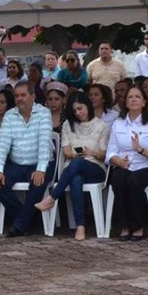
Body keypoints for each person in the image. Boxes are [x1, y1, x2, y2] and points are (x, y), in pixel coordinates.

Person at [35, 92, 109, 240]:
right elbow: (66, 151)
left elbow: (103, 155)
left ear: (87, 105)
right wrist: (75, 155)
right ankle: (80, 226)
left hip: (95, 167)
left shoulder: (102, 126)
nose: (78, 113)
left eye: (80, 108)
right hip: (74, 166)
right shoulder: (68, 125)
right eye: (74, 110)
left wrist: (91, 152)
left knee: (77, 164)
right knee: (76, 178)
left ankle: (52, 197)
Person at [0, 81, 54, 237]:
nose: (19, 99)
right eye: (17, 96)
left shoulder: (44, 113)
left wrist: (41, 169)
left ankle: (19, 225)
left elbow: (44, 142)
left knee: (38, 182)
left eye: (23, 95)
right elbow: (3, 144)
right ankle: (28, 220)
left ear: (32, 96)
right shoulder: (9, 115)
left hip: (41, 162)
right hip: (18, 164)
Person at [105, 84, 148, 240]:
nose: (133, 100)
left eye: (137, 97)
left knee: (134, 180)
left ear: (144, 102)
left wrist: (140, 149)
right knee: (117, 179)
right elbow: (110, 151)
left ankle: (138, 226)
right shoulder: (118, 124)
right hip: (125, 165)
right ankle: (124, 226)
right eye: (130, 97)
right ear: (125, 102)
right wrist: (117, 160)